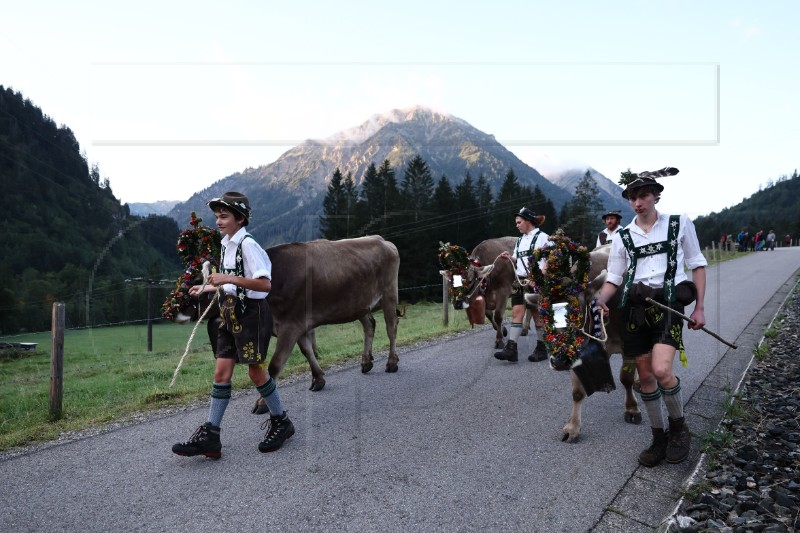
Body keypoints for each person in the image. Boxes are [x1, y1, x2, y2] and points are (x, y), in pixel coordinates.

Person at [595, 168, 707, 468]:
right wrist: (601, 301)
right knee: (644, 377)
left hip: (669, 304)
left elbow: (697, 265)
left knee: (660, 370)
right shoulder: (622, 236)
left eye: (643, 195)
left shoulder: (679, 224)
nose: (638, 202)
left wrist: (699, 308)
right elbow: (615, 277)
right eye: (632, 197)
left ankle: (679, 427)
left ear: (655, 195)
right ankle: (658, 436)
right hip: (634, 310)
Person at [172, 191, 294, 458]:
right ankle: (211, 437)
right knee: (221, 374)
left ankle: (282, 422)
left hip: (252, 315)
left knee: (255, 373)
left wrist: (228, 277)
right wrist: (204, 287)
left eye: (224, 216)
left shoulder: (248, 245)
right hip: (229, 314)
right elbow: (229, 281)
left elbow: (264, 284)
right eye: (217, 216)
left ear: (240, 218)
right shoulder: (227, 244)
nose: (218, 221)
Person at [493, 207, 550, 363]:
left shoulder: (543, 237)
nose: (517, 225)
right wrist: (509, 258)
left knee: (537, 314)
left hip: (537, 281)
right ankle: (512, 349)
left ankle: (541, 348)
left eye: (519, 222)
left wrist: (539, 276)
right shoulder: (520, 240)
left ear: (528, 221)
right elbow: (519, 260)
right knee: (517, 312)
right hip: (520, 281)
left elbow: (551, 260)